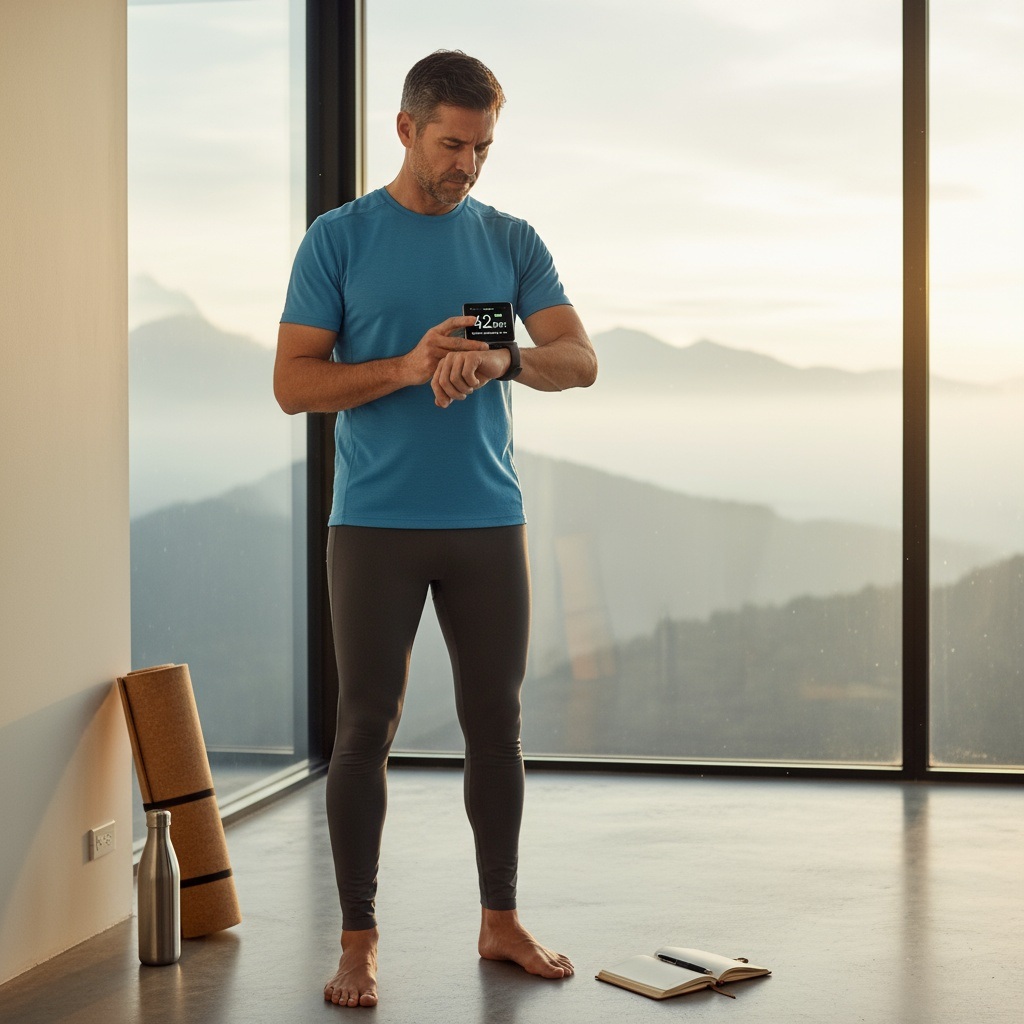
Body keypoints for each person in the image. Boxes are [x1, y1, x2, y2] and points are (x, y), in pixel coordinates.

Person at [274, 49, 597, 1009]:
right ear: (407, 129)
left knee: (496, 725)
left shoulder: (509, 239)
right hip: (373, 524)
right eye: (453, 143)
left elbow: (577, 359)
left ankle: (499, 920)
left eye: (483, 146)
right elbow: (295, 385)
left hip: (488, 522)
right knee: (362, 727)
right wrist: (410, 367)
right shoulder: (337, 240)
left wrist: (504, 363)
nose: (467, 164)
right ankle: (359, 940)